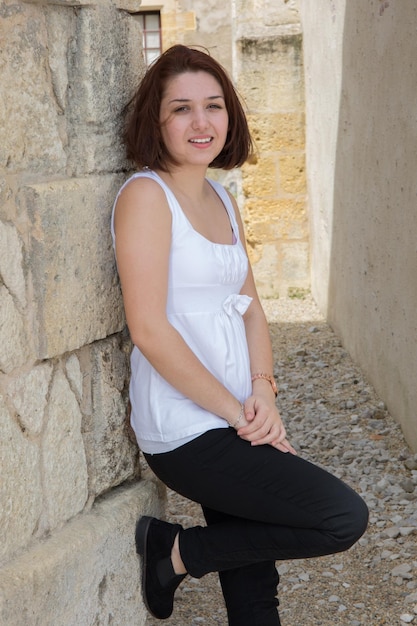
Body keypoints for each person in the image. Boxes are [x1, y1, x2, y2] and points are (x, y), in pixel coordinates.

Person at [111, 44, 368, 626]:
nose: (201, 123)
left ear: (230, 117)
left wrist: (264, 389)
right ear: (156, 119)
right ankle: (177, 553)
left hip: (235, 412)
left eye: (213, 106)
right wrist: (239, 414)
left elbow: (250, 306)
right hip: (185, 428)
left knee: (256, 581)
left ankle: (173, 556)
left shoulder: (221, 198)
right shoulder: (147, 197)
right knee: (339, 517)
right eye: (182, 109)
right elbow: (149, 329)